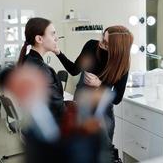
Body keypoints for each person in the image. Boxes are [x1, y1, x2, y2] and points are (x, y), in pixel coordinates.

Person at [54, 25, 133, 161]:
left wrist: (100, 85)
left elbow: (117, 98)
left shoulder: (121, 64)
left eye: (106, 42)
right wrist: (58, 52)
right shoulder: (91, 46)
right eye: (103, 36)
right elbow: (74, 70)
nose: (101, 41)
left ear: (116, 48)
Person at [17, 17, 65, 123]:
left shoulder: (27, 60)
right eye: (53, 34)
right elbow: (58, 109)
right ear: (39, 39)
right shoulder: (42, 70)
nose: (56, 38)